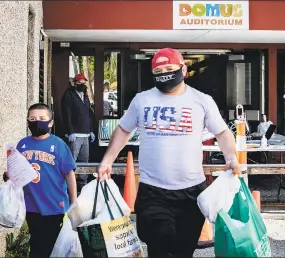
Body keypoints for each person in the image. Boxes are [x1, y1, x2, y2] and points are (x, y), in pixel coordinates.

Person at [97, 48, 241, 258]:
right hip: (153, 191)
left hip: (191, 192)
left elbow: (223, 132)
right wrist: (107, 160)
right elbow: (123, 130)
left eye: (169, 68)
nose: (164, 73)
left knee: (183, 251)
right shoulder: (142, 100)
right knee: (159, 244)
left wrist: (231, 158)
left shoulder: (201, 100)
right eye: (159, 70)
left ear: (183, 69)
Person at [5, 103, 77, 258]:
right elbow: (18, 169)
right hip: (31, 205)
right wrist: (10, 175)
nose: (37, 122)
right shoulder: (23, 144)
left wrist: (74, 201)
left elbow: (69, 174)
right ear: (28, 121)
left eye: (42, 118)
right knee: (37, 242)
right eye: (32, 118)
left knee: (50, 245)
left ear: (50, 122)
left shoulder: (58, 145)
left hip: (54, 205)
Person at [61, 73, 95, 194]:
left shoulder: (85, 96)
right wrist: (70, 131)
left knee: (84, 162)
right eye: (79, 82)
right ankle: (67, 187)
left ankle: (83, 186)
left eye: (83, 82)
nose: (82, 85)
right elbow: (67, 114)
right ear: (74, 83)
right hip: (75, 134)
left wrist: (91, 130)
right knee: (72, 162)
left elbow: (88, 115)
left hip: (85, 134)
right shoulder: (68, 95)